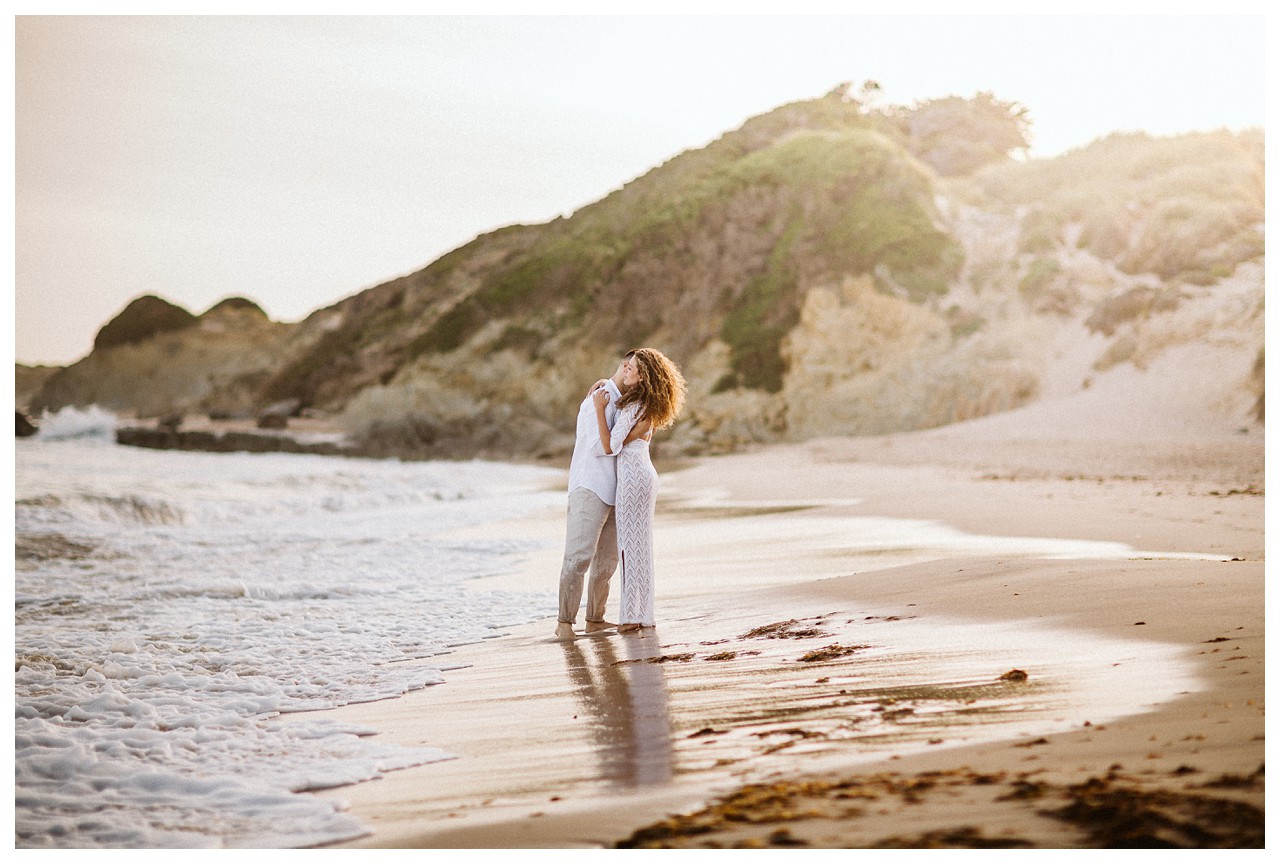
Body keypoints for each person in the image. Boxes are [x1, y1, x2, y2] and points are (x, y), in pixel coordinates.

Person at [592, 348, 687, 634]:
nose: (625, 369)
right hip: (644, 474)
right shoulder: (647, 404)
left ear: (644, 375)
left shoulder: (634, 406)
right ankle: (643, 614)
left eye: (631, 368)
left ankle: (632, 617)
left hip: (633, 477)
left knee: (629, 549)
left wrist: (598, 409)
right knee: (640, 547)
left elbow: (610, 446)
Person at [554, 352, 636, 640]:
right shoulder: (596, 401)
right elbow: (601, 447)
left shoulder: (626, 402)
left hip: (617, 491)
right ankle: (565, 623)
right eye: (635, 368)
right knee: (578, 558)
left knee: (606, 564)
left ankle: (595, 619)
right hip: (589, 487)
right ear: (627, 367)